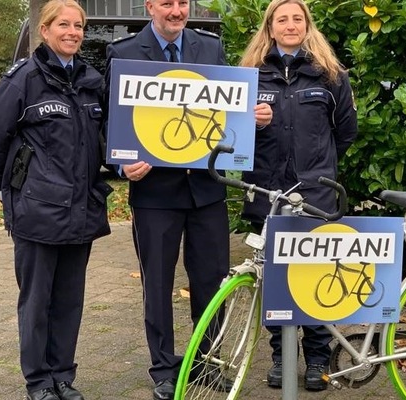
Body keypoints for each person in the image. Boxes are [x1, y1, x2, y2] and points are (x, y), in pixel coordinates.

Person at [104, 1, 272, 399]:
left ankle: (206, 364)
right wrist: (120, 166)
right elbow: (109, 123)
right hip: (154, 194)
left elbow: (226, 109)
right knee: (158, 286)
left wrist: (252, 117)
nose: (177, 11)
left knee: (211, 283)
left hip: (206, 191)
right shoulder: (124, 53)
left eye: (182, 3)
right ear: (150, 7)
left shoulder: (209, 47)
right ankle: (163, 369)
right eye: (167, 3)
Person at [0, 1, 113, 399]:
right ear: (45, 30)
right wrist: (14, 190)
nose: (72, 32)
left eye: (79, 26)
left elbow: (108, 139)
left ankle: (62, 376)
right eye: (64, 25)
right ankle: (38, 381)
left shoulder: (91, 80)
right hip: (37, 212)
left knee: (69, 301)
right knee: (37, 303)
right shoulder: (24, 79)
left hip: (82, 211)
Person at [238, 0, 358, 392]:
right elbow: (229, 134)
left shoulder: (331, 76)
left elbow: (345, 133)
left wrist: (318, 167)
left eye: (297, 19)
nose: (290, 25)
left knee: (314, 278)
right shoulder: (249, 76)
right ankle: (282, 356)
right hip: (267, 192)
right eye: (282, 19)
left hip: (315, 196)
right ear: (270, 28)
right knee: (277, 280)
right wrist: (249, 123)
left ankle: (318, 358)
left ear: (307, 26)